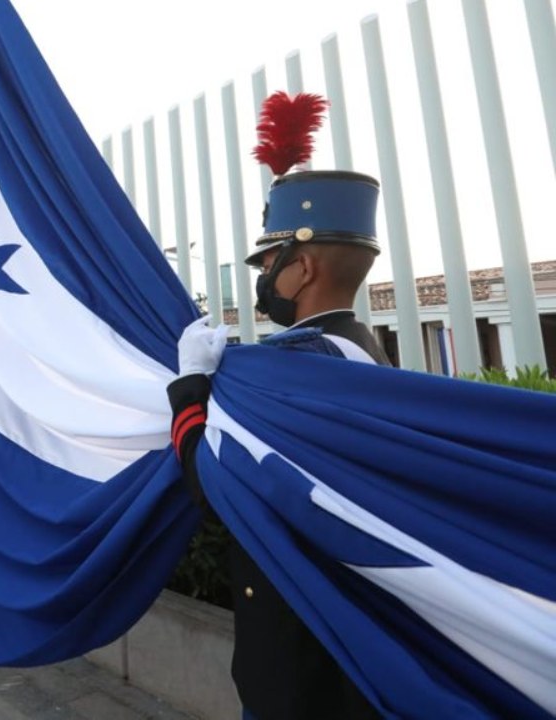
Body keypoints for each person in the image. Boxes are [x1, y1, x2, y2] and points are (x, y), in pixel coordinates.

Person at [167, 94, 388, 720]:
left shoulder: (296, 369)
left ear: (304, 265)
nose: (264, 277)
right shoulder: (363, 353)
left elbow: (217, 489)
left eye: (269, 262)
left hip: (297, 656)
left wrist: (189, 387)